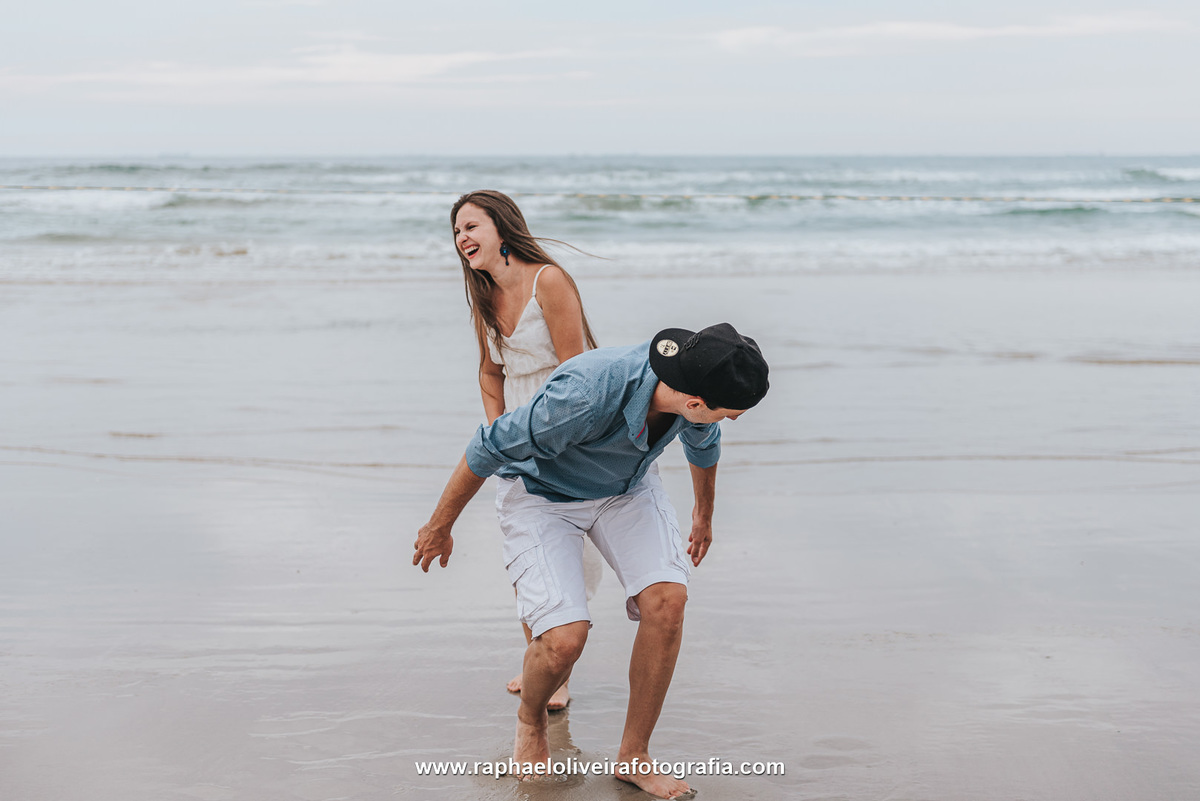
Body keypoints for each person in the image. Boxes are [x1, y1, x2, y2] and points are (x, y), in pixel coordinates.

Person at [413, 323, 769, 800]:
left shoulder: (697, 386)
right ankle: (531, 720)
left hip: (626, 490)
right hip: (541, 494)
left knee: (668, 602)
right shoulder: (585, 395)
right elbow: (488, 445)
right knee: (563, 640)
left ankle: (634, 756)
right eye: (732, 413)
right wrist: (439, 526)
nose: (734, 419)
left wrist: (703, 514)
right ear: (694, 402)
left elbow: (703, 443)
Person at [450, 189, 606, 710]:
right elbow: (489, 370)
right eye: (456, 232)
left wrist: (556, 438)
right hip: (515, 435)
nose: (462, 238)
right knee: (526, 555)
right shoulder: (483, 294)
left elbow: (577, 373)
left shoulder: (550, 280)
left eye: (471, 226)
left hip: (566, 428)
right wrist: (498, 438)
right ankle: (545, 670)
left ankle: (556, 661)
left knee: (574, 557)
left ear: (501, 227)